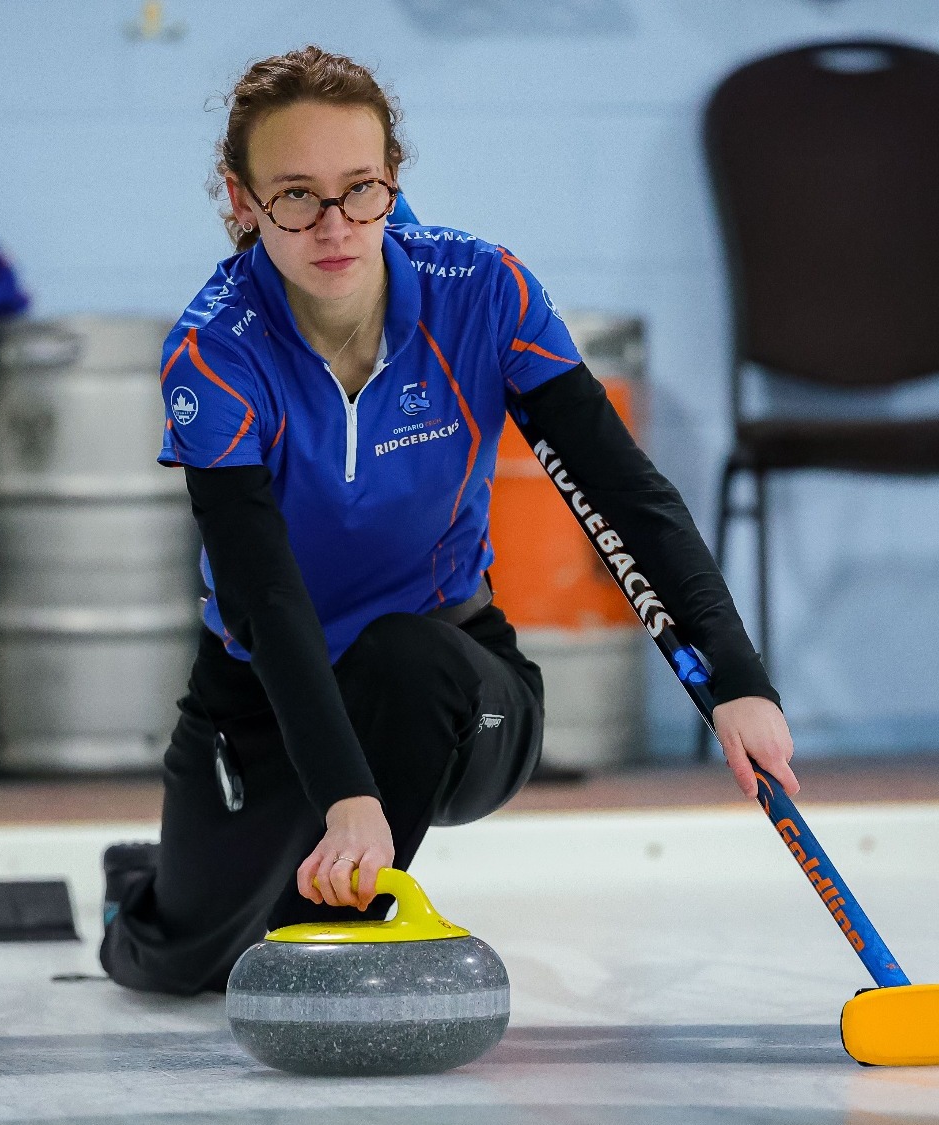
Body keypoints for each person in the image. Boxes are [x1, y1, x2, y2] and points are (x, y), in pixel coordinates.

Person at [100, 45, 799, 996]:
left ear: (393, 181)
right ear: (241, 198)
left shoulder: (483, 292)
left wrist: (736, 680)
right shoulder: (216, 352)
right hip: (264, 687)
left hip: (456, 683)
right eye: (296, 196)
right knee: (179, 961)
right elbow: (263, 595)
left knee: (399, 662)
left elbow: (627, 494)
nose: (336, 225)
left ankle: (334, 940)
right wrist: (346, 795)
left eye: (361, 189)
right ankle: (140, 886)